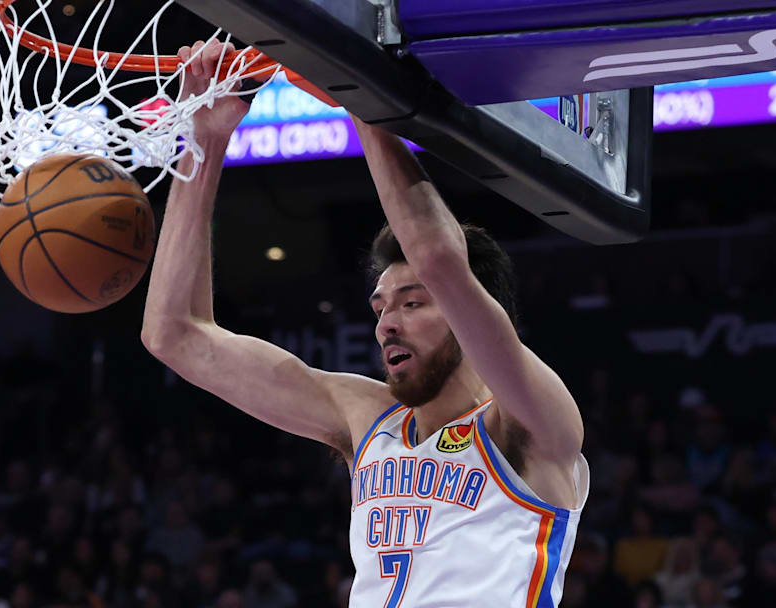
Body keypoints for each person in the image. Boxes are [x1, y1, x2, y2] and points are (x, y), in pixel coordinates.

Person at [141, 40, 588, 606]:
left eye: (412, 302)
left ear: (473, 309)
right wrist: (204, 141)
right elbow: (173, 333)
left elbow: (440, 260)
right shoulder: (366, 419)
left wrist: (359, 92)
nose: (386, 325)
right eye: (379, 308)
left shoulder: (533, 423)